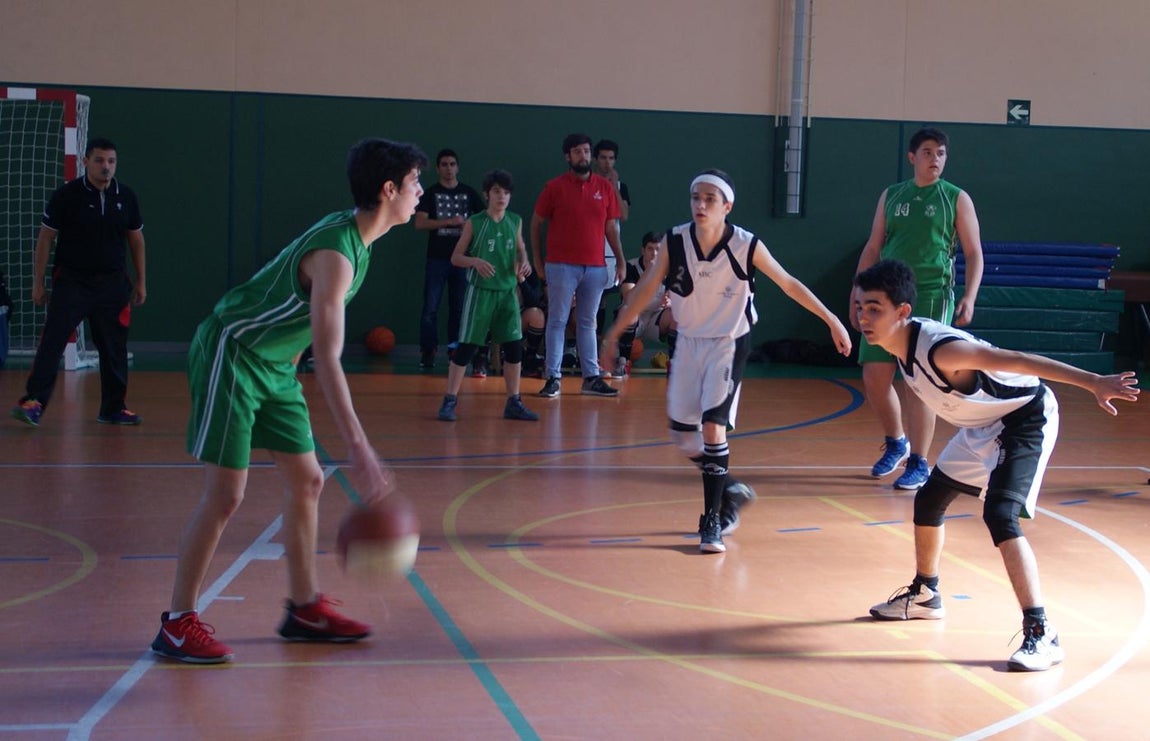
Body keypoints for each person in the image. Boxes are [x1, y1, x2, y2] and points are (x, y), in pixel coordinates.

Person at [150, 138, 428, 664]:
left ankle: (303, 609)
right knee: (227, 493)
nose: (420, 193)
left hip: (275, 364)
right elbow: (329, 358)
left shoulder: (360, 240)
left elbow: (301, 327)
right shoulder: (338, 255)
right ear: (388, 190)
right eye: (414, 183)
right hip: (232, 352)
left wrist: (289, 357)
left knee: (308, 479)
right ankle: (176, 622)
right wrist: (360, 448)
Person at [855, 259, 1139, 671]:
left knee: (1001, 514)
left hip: (1025, 418)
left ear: (902, 312)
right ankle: (925, 594)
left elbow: (1020, 360)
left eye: (874, 309)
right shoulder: (897, 348)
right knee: (929, 501)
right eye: (860, 307)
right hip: (984, 425)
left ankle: (1042, 632)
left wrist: (1092, 382)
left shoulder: (943, 350)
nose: (864, 317)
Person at [601, 169, 852, 553]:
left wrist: (831, 319)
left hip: (728, 342)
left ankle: (712, 520)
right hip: (688, 342)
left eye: (710, 199)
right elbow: (647, 287)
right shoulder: (675, 241)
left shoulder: (746, 245)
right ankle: (731, 489)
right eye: (696, 198)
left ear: (727, 206)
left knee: (712, 430)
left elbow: (788, 283)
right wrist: (614, 333)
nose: (700, 205)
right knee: (685, 439)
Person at [850, 127, 985, 490]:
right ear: (912, 157)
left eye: (941, 153)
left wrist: (969, 295)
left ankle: (920, 462)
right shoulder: (892, 196)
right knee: (875, 377)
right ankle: (897, 441)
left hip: (930, 294)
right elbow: (873, 247)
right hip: (886, 293)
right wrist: (857, 292)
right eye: (928, 152)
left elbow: (973, 252)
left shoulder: (955, 198)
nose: (935, 159)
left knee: (919, 381)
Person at [11, 137, 147, 427]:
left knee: (114, 348)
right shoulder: (66, 196)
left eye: (111, 161)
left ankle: (113, 408)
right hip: (72, 282)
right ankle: (33, 402)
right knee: (52, 342)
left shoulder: (127, 197)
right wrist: (38, 283)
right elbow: (46, 238)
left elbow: (136, 240)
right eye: (99, 160)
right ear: (85, 162)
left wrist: (141, 281)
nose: (105, 167)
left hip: (112, 285)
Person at [437, 169, 539, 423]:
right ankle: (449, 400)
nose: (501, 197)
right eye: (496, 192)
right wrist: (475, 261)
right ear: (486, 194)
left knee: (514, 348)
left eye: (506, 193)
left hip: (507, 294)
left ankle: (514, 402)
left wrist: (524, 263)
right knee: (467, 348)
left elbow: (521, 249)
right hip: (480, 294)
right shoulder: (475, 222)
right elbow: (456, 257)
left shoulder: (515, 221)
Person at [530, 133, 626, 398]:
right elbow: (536, 223)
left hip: (595, 267)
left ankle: (591, 378)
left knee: (588, 323)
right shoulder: (554, 187)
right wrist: (538, 261)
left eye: (586, 151)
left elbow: (611, 228)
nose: (582, 156)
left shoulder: (605, 188)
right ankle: (552, 378)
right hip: (561, 266)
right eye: (577, 152)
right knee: (558, 320)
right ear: (567, 157)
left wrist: (619, 259)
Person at [414, 149, 485, 372]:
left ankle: (455, 349)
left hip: (462, 260)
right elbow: (420, 224)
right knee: (430, 308)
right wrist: (448, 222)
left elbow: (485, 219)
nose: (448, 168)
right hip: (436, 259)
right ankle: (428, 350)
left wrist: (469, 226)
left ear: (458, 167)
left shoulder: (469, 193)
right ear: (437, 168)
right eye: (444, 164)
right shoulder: (429, 194)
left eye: (452, 164)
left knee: (459, 307)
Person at [611, 230, 677, 378]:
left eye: (658, 249)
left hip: (655, 319)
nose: (654, 254)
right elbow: (629, 299)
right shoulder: (631, 267)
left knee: (676, 314)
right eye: (650, 249)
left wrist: (670, 301)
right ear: (643, 250)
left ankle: (674, 364)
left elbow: (676, 296)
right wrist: (648, 272)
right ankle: (623, 362)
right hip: (634, 318)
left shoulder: (670, 268)